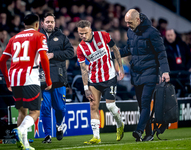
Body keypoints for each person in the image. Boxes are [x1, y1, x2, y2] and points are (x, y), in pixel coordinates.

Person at [113, 9, 170, 142]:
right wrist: (112, 55)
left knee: (145, 103)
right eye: (126, 23)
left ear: (138, 20)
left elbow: (161, 53)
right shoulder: (130, 32)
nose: (127, 25)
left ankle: (139, 131)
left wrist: (165, 71)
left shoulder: (152, 32)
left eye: (130, 22)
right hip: (136, 73)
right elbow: (129, 49)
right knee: (141, 105)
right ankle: (148, 134)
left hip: (150, 72)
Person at [0, 13, 52, 150]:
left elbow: (1, 60)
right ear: (37, 25)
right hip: (30, 76)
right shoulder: (39, 36)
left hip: (15, 78)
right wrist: (48, 79)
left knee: (22, 112)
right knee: (35, 112)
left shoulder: (14, 38)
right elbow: (44, 58)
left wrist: (7, 80)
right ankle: (21, 130)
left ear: (24, 24)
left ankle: (25, 144)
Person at [76, 20, 125, 144]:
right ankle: (96, 137)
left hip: (109, 78)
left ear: (90, 30)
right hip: (94, 80)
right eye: (80, 33)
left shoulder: (103, 35)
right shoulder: (80, 48)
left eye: (85, 33)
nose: (83, 36)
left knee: (110, 106)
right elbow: (83, 69)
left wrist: (121, 68)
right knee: (93, 106)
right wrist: (86, 87)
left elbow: (115, 49)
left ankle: (120, 124)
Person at [39, 13, 74, 143]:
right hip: (42, 78)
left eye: (52, 22)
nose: (49, 24)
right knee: (45, 107)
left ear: (55, 23)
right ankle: (47, 135)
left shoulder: (61, 37)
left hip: (59, 78)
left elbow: (71, 52)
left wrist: (53, 54)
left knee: (60, 107)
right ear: (42, 23)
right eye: (47, 22)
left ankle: (59, 125)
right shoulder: (37, 37)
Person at [164, 29, 191, 97]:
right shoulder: (163, 47)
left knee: (185, 92)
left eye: (171, 35)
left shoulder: (182, 45)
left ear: (175, 35)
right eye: (168, 35)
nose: (170, 37)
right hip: (170, 75)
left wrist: (189, 67)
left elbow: (189, 57)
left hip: (184, 74)